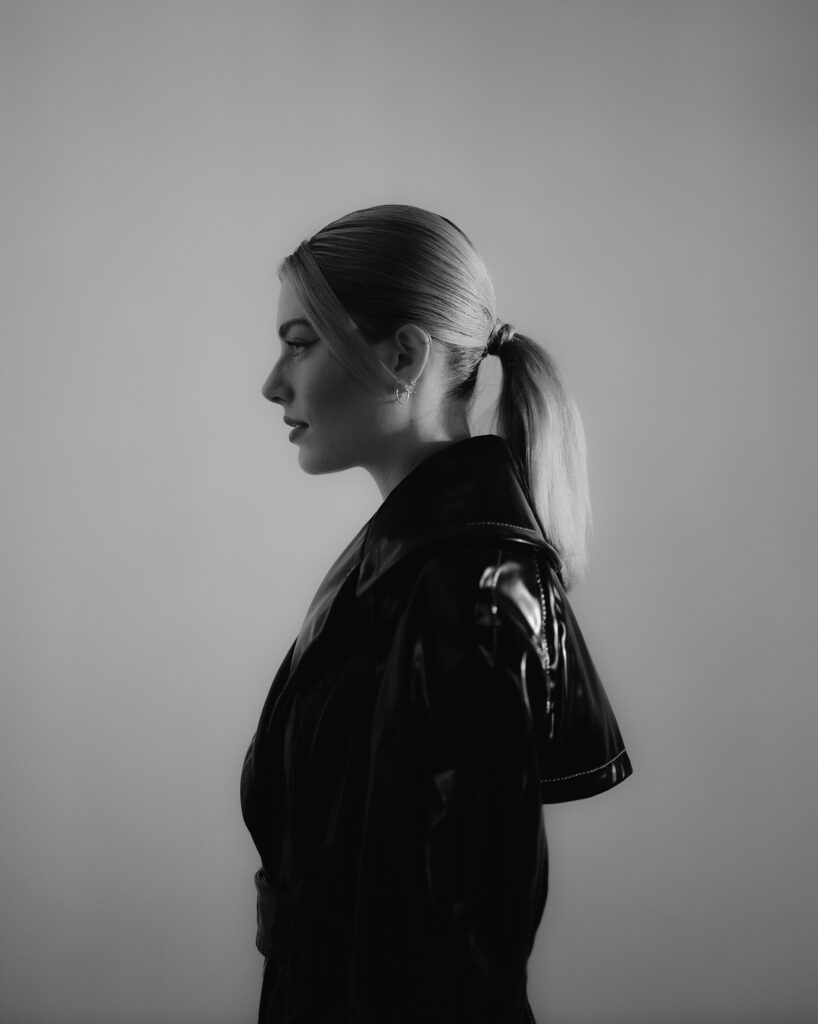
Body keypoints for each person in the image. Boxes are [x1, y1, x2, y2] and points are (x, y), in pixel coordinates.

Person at [241, 204, 632, 1024]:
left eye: (300, 342)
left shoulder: (471, 589)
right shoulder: (411, 564)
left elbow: (462, 964)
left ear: (403, 356)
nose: (273, 382)